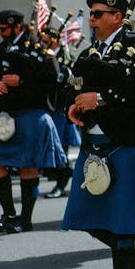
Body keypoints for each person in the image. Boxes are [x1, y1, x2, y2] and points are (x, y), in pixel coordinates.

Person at [61, 0, 135, 269]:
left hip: (127, 143)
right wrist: (72, 106)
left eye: (99, 14)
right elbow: (72, 85)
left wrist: (101, 99)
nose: (92, 18)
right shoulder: (90, 52)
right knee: (84, 215)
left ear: (118, 17)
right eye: (91, 13)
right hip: (96, 146)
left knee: (122, 221)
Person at [0, 9, 65, 233]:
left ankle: (25, 219)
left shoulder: (39, 49)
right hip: (4, 115)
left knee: (27, 166)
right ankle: (9, 214)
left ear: (17, 27)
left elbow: (53, 78)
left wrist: (22, 80)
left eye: (4, 29)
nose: (1, 33)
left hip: (31, 113)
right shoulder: (2, 49)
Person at [39, 21, 81, 198]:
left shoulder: (64, 59)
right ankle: (62, 176)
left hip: (60, 110)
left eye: (46, 39)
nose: (42, 42)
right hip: (47, 108)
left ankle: (61, 183)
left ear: (54, 40)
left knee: (59, 148)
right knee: (50, 147)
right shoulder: (43, 57)